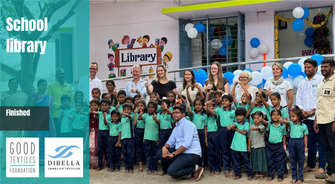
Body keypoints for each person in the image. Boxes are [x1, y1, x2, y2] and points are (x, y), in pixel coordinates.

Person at [156, 105, 204, 181]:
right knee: (160, 153)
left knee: (171, 172)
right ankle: (180, 169)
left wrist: (174, 154)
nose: (174, 114)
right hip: (181, 153)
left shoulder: (188, 124)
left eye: (177, 112)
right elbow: (170, 142)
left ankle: (195, 168)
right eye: (173, 113)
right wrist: (164, 147)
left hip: (191, 154)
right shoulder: (176, 127)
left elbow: (187, 144)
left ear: (183, 114)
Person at [296, 58, 326, 177]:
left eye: (309, 67)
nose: (306, 69)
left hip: (319, 117)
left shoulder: (320, 80)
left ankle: (322, 166)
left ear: (315, 68)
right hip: (306, 118)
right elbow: (298, 98)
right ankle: (311, 164)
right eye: (305, 67)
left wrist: (313, 111)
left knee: (321, 142)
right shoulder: (302, 82)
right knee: (310, 143)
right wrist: (302, 110)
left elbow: (322, 98)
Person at [314, 58, 335, 183]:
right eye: (322, 67)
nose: (323, 69)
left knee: (334, 147)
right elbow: (319, 103)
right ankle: (330, 172)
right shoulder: (322, 82)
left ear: (332, 68)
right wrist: (316, 119)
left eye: (325, 67)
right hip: (322, 120)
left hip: (331, 120)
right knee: (326, 147)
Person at [207, 93, 235, 178]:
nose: (224, 102)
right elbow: (209, 111)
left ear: (231, 102)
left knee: (233, 150)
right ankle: (226, 169)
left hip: (232, 131)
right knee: (224, 151)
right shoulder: (219, 110)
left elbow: (236, 121)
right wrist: (207, 104)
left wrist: (232, 126)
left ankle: (234, 169)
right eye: (223, 100)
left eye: (226, 101)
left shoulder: (233, 112)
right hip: (223, 131)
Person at [282, 106, 308, 184]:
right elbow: (286, 122)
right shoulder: (291, 124)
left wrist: (306, 147)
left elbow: (305, 137)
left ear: (299, 116)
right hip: (292, 142)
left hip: (300, 142)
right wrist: (281, 119)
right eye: (291, 116)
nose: (291, 118)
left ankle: (300, 178)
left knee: (300, 160)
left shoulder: (304, 126)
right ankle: (294, 177)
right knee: (292, 160)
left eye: (293, 116)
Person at [47, 68, 74, 136]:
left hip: (68, 116)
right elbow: (49, 101)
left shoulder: (68, 86)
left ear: (65, 75)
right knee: (58, 135)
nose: (61, 75)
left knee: (69, 135)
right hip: (56, 115)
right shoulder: (51, 86)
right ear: (56, 75)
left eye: (63, 74)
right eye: (59, 74)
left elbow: (72, 100)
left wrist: (69, 107)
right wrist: (60, 106)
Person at [228, 107, 253, 180]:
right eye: (237, 116)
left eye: (240, 115)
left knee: (246, 161)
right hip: (234, 146)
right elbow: (233, 125)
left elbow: (244, 132)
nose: (238, 117)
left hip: (242, 147)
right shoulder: (235, 123)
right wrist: (231, 127)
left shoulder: (247, 124)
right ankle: (237, 174)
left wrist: (235, 129)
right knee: (236, 162)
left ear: (244, 116)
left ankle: (249, 174)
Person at [262, 109, 287, 182]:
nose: (275, 116)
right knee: (270, 161)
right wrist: (261, 119)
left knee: (280, 161)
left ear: (280, 116)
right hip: (270, 145)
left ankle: (280, 176)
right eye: (273, 115)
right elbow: (265, 123)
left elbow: (284, 136)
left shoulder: (282, 126)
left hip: (279, 145)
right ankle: (270, 175)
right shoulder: (270, 124)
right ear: (271, 116)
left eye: (277, 115)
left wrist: (284, 145)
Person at [138, 101, 160, 175]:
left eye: (152, 107)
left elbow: (159, 123)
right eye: (149, 107)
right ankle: (149, 168)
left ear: (155, 108)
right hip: (147, 138)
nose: (150, 109)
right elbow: (140, 118)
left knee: (155, 154)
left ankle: (155, 169)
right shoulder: (146, 115)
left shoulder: (158, 115)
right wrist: (140, 114)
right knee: (148, 154)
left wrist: (156, 119)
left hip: (155, 138)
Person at [248, 111, 268, 181]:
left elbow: (259, 129)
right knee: (255, 160)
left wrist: (254, 129)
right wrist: (249, 146)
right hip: (253, 146)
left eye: (257, 118)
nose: (256, 119)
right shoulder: (251, 126)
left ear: (261, 118)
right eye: (254, 118)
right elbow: (249, 137)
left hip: (260, 146)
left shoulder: (262, 126)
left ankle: (261, 174)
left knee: (260, 160)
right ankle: (256, 174)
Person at [120, 103, 135, 173]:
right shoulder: (122, 118)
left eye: (128, 109)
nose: (126, 111)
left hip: (130, 138)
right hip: (123, 138)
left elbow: (129, 116)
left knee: (130, 153)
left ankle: (131, 167)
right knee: (125, 153)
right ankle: (126, 167)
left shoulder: (131, 116)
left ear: (131, 110)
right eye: (125, 109)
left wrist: (123, 113)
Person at [89, 99, 100, 169]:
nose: (93, 106)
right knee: (91, 147)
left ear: (98, 106)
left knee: (97, 147)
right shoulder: (89, 114)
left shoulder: (99, 113)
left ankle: (98, 163)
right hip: (90, 132)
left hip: (97, 132)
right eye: (92, 105)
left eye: (95, 105)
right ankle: (91, 163)